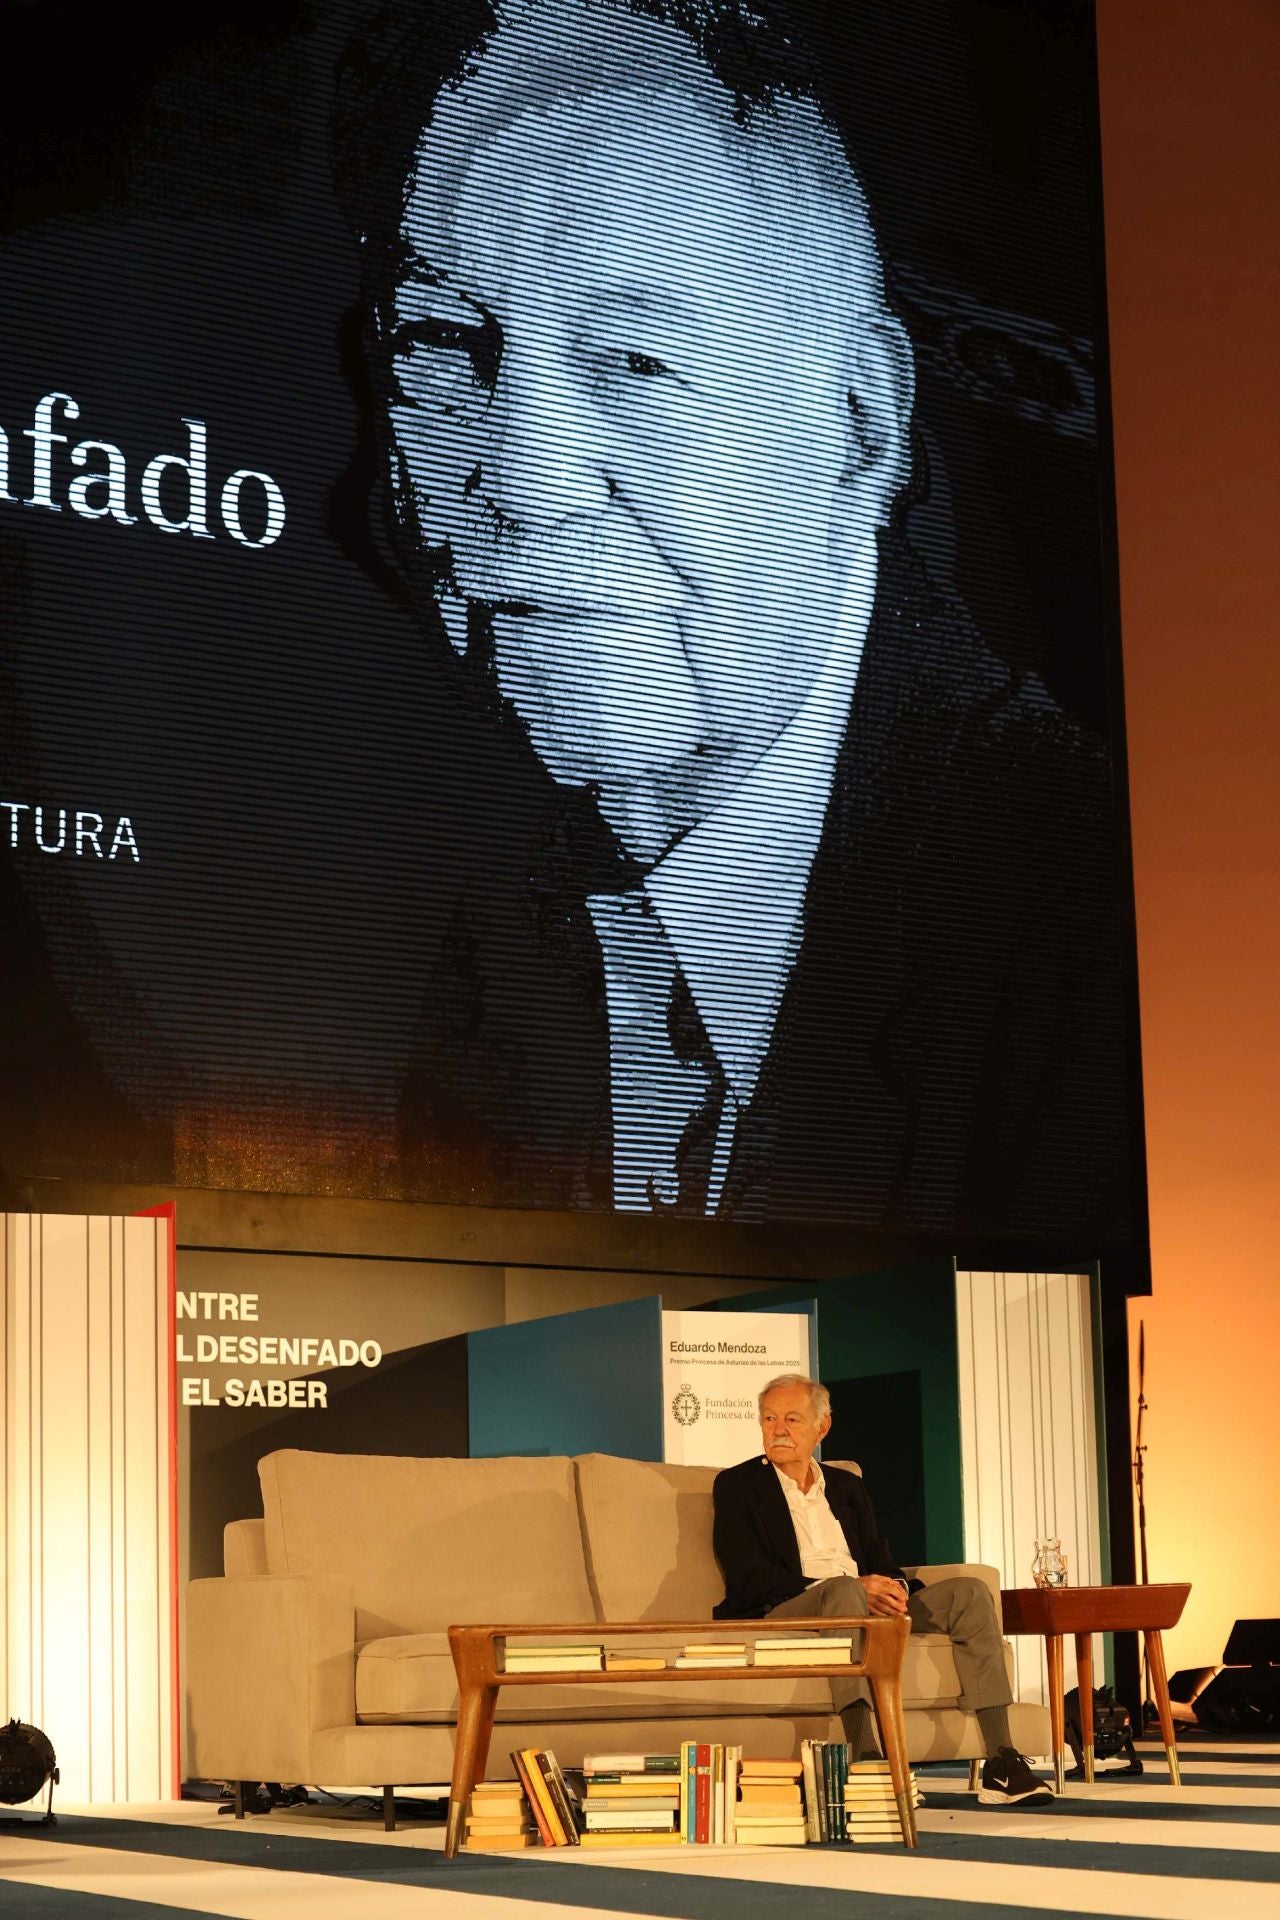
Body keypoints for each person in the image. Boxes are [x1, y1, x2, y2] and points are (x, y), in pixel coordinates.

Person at [333, 0, 1129, 1232]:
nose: (523, 477)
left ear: (858, 422)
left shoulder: (1106, 934)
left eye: (635, 362)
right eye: (441, 343)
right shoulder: (468, 943)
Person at [712, 1372, 1054, 1805]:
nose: (778, 1429)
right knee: (844, 1591)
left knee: (967, 1592)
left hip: (861, 1602)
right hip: (791, 1606)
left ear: (822, 1426)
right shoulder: (739, 1485)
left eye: (792, 1419)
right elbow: (747, 1576)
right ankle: (867, 1758)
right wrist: (853, 1587)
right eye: (769, 1418)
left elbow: (880, 1558)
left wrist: (893, 1588)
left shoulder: (845, 1486)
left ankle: (1002, 1761)